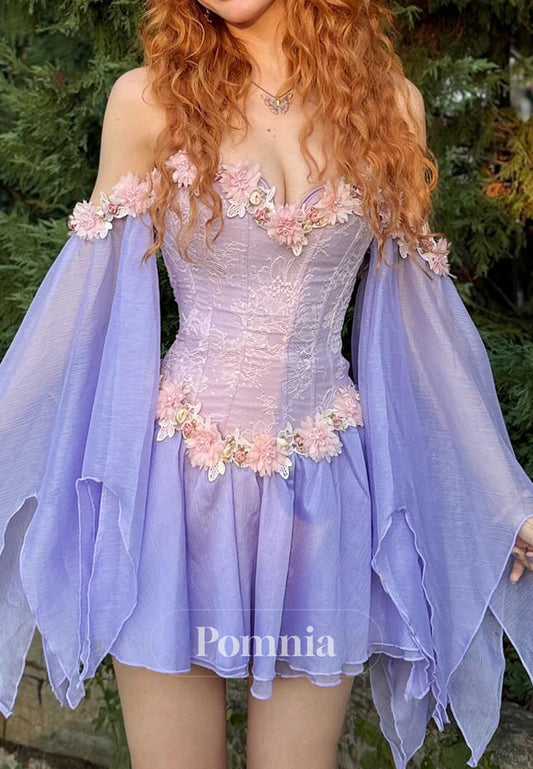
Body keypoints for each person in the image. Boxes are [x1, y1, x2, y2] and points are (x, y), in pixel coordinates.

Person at [0, 1, 532, 768]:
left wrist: (504, 498)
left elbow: (425, 332)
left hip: (321, 502)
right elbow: (76, 313)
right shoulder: (149, 101)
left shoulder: (388, 108)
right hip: (175, 498)